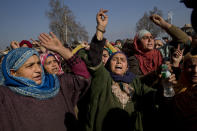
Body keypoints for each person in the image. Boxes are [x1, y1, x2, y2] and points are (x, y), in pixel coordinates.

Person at [78, 9, 176, 131]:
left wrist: (164, 86)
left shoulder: (135, 82)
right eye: (115, 59)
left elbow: (153, 96)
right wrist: (100, 29)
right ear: (108, 65)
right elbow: (94, 57)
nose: (119, 61)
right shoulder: (103, 78)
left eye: (123, 60)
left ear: (127, 67)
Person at [0, 32, 90, 131]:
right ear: (13, 73)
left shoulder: (55, 84)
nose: (38, 69)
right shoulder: (6, 96)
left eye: (38, 63)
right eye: (30, 66)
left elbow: (83, 76)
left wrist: (61, 49)